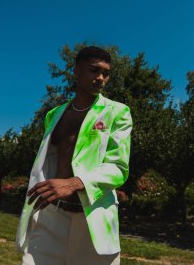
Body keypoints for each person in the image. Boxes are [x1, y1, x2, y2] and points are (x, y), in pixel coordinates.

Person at [16, 46, 133, 265]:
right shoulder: (54, 115)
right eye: (94, 70)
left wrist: (75, 183)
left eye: (106, 73)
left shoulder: (117, 112)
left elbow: (119, 168)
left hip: (93, 219)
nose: (100, 78)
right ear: (76, 71)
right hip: (52, 216)